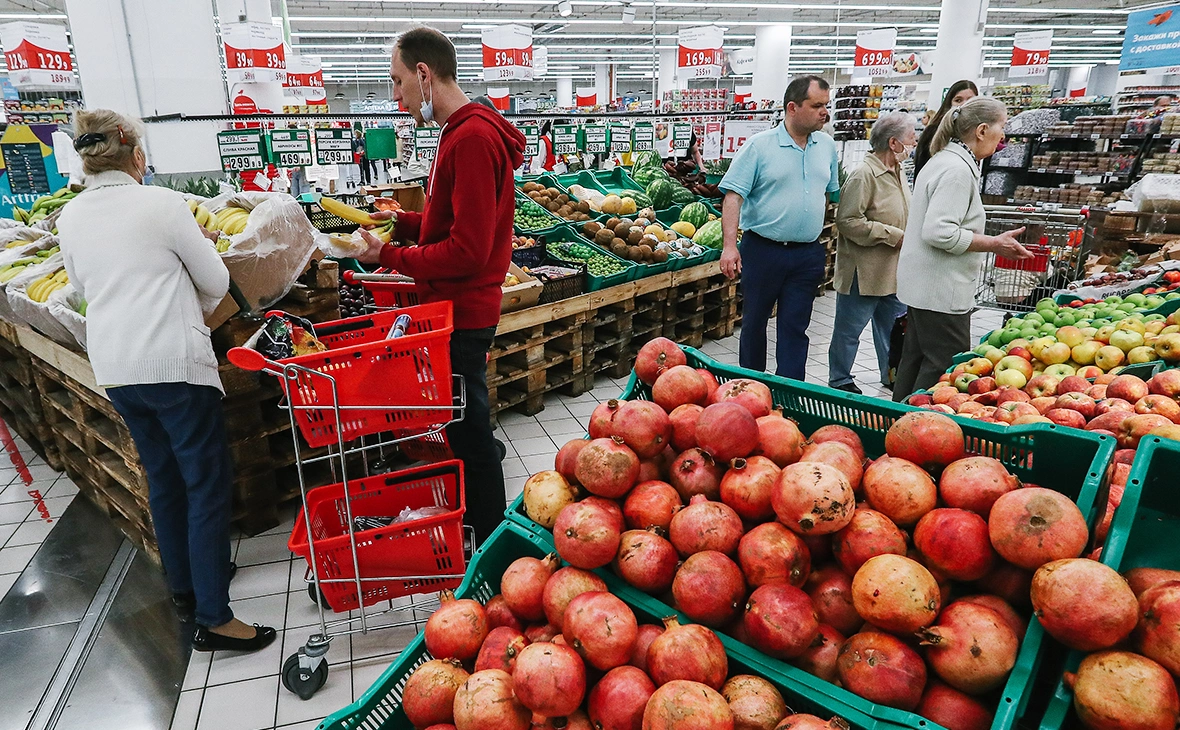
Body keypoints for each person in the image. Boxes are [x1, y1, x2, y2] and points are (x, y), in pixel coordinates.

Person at [57, 110, 276, 653]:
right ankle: (214, 617)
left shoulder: (70, 217)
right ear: (134, 153)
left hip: (118, 369)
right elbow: (216, 279)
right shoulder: (161, 204)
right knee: (205, 485)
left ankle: (185, 589)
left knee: (165, 480)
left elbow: (82, 287)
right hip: (173, 367)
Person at [356, 27, 525, 545]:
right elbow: (454, 222)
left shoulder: (471, 138)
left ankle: (490, 542)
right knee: (462, 423)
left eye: (398, 81)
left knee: (470, 432)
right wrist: (403, 222)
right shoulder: (461, 132)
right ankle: (482, 531)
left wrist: (389, 256)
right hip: (456, 308)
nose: (396, 96)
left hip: (463, 312)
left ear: (424, 75)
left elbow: (469, 250)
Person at [893, 97, 1032, 400]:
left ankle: (896, 423)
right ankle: (919, 429)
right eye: (1002, 127)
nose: (1004, 136)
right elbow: (939, 231)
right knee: (944, 367)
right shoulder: (956, 170)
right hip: (942, 291)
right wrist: (995, 244)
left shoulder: (943, 160)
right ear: (982, 130)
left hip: (924, 287)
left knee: (914, 360)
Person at [718, 75, 841, 380]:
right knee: (755, 323)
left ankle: (791, 393)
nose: (824, 112)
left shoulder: (826, 146)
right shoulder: (760, 146)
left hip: (807, 254)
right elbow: (733, 197)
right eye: (817, 105)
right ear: (792, 107)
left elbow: (831, 194)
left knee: (795, 327)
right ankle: (751, 388)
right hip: (763, 251)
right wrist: (729, 246)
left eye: (826, 105)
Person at [829, 112, 916, 395]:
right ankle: (840, 379)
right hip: (863, 272)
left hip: (893, 270)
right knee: (849, 331)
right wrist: (892, 235)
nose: (914, 141)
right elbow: (848, 221)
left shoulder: (898, 172)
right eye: (910, 138)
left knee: (893, 330)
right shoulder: (863, 175)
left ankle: (891, 375)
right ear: (893, 143)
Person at [913, 80, 978, 177]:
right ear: (949, 103)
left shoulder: (977, 130)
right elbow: (922, 166)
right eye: (958, 100)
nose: (964, 104)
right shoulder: (934, 130)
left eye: (970, 100)